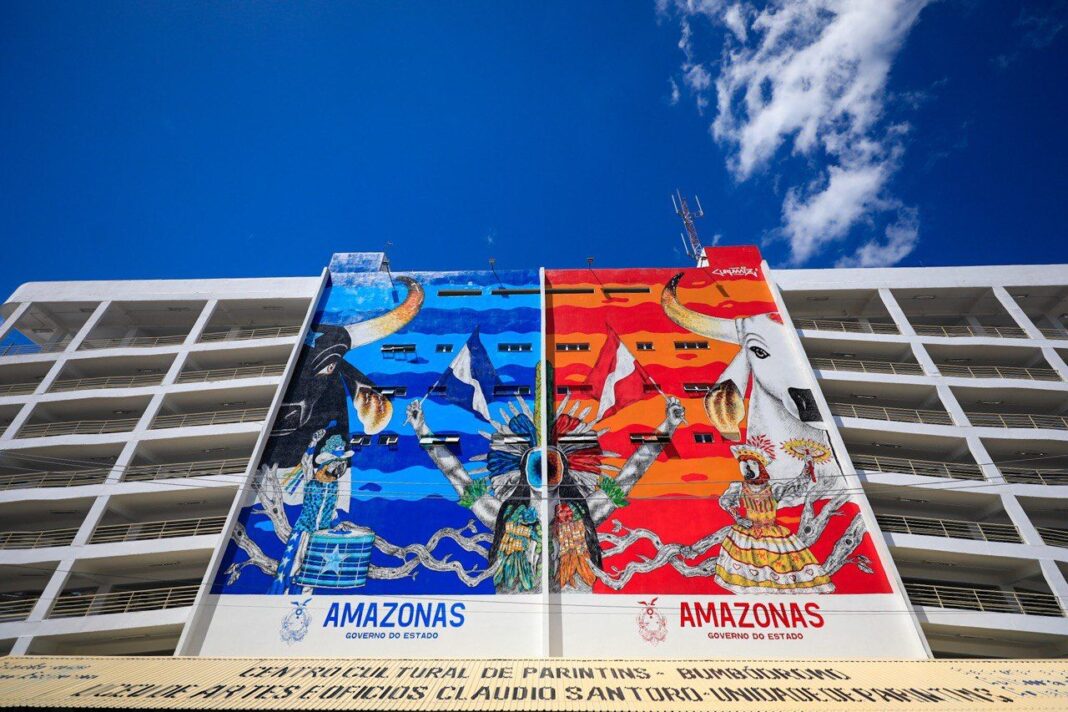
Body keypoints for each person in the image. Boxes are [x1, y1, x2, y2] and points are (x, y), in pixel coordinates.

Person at [713, 438, 834, 594]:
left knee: (778, 565)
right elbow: (725, 501)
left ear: (760, 467)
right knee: (749, 568)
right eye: (744, 465)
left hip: (772, 532)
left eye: (752, 464)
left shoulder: (774, 489)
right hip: (747, 532)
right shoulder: (739, 487)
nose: (747, 469)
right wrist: (738, 518)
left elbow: (795, 485)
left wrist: (807, 467)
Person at [268, 430, 353, 594]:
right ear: (326, 464)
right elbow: (306, 462)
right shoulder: (312, 479)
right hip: (304, 531)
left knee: (312, 571)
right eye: (335, 464)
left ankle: (303, 598)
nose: (338, 469)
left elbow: (331, 510)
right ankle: (283, 594)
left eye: (341, 465)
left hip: (321, 535)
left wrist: (337, 525)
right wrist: (313, 443)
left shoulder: (334, 486)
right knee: (294, 565)